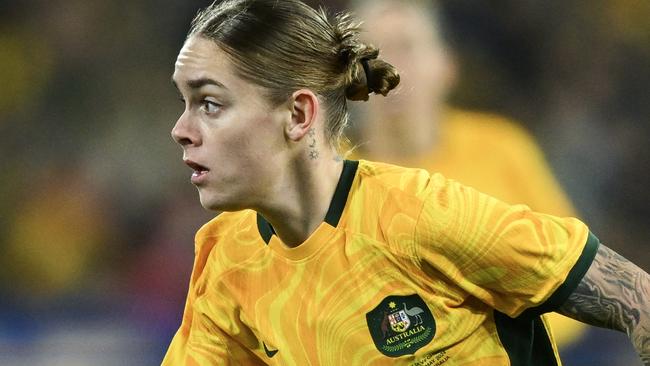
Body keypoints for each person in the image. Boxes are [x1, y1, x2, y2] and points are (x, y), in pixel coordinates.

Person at [163, 0, 649, 364]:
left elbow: (636, 299)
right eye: (185, 102)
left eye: (209, 103)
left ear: (297, 114)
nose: (180, 129)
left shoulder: (420, 213)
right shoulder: (228, 259)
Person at [346, 0, 587, 352]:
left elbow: (573, 273)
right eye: (370, 53)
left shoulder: (502, 149)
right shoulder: (330, 172)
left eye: (407, 47)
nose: (388, 66)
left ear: (446, 66)